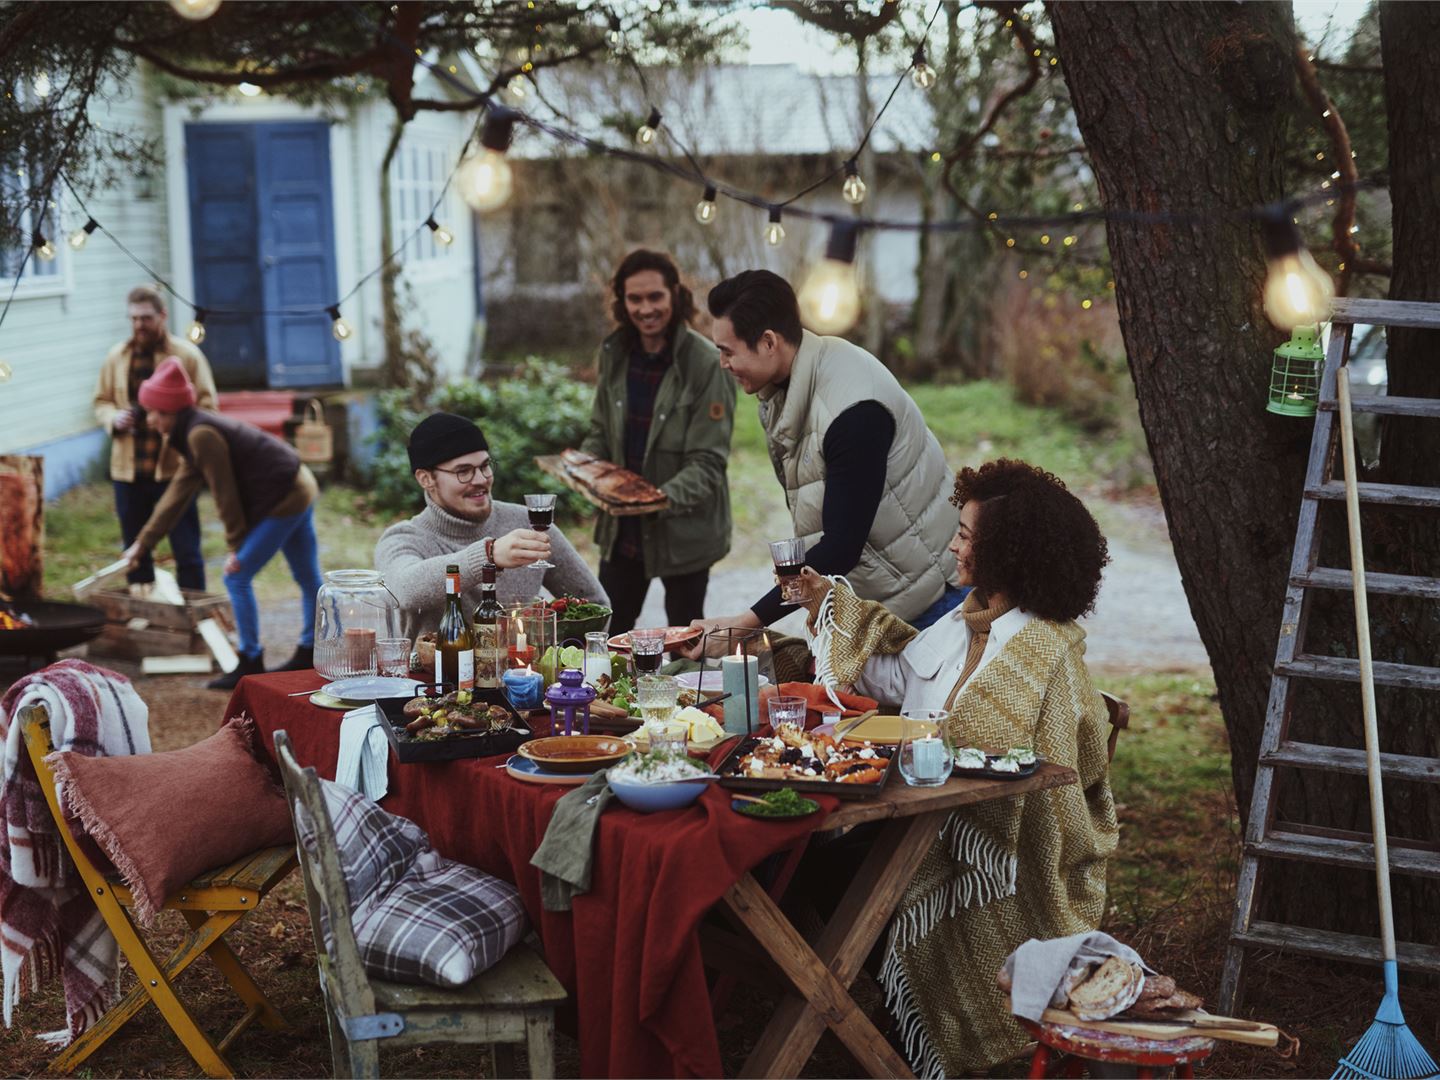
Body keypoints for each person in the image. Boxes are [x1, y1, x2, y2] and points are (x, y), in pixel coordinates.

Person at [801, 459, 1118, 1075]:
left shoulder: (1044, 651)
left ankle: (885, 1016)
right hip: (925, 819)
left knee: (829, 866)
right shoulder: (968, 617)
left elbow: (1061, 782)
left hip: (999, 858)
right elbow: (897, 675)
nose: (953, 544)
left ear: (1007, 550)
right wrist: (827, 607)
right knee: (803, 858)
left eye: (967, 535)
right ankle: (880, 1005)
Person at [684, 269, 960, 657]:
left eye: (728, 351)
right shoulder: (789, 384)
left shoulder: (851, 411)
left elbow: (841, 546)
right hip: (880, 597)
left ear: (768, 342)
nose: (722, 363)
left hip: (928, 600)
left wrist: (744, 623)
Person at [121, 358, 323, 690]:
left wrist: (235, 548)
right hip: (298, 483)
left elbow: (224, 494)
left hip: (286, 493)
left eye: (154, 411)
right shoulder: (193, 431)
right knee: (306, 576)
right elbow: (178, 493)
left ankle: (250, 660)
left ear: (170, 410)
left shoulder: (201, 435)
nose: (150, 419)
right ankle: (310, 648)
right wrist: (143, 544)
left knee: (236, 575)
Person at [578, 250, 735, 634]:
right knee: (608, 634)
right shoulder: (614, 353)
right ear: (622, 302)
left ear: (674, 296)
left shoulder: (705, 362)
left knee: (683, 641)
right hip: (622, 531)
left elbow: (708, 462)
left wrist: (653, 500)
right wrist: (584, 468)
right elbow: (600, 431)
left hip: (684, 531)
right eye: (635, 298)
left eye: (655, 297)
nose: (645, 308)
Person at [375, 413, 608, 642]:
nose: (481, 479)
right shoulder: (402, 538)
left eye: (485, 466)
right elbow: (404, 590)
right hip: (432, 679)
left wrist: (550, 648)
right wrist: (489, 555)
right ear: (426, 479)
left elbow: (594, 603)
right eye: (463, 471)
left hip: (522, 677)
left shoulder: (528, 523)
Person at [93, 285, 218, 592]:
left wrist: (183, 435)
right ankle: (146, 614)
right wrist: (114, 418)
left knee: (186, 551)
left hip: (173, 469)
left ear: (162, 316)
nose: (139, 325)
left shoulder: (186, 356)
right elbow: (101, 402)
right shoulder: (116, 357)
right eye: (133, 318)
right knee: (136, 551)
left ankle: (194, 613)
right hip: (129, 471)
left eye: (146, 318)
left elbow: (208, 407)